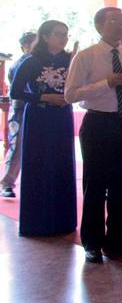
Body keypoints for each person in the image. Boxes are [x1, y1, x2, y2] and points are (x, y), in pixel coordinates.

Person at [65, 7, 122, 263]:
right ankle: (92, 242)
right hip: (98, 123)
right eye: (113, 21)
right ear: (99, 26)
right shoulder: (86, 56)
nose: (120, 26)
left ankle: (116, 239)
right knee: (95, 184)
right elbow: (71, 94)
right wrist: (107, 83)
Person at [9, 20, 77, 237]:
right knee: (38, 164)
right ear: (45, 36)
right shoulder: (31, 61)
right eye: (59, 34)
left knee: (62, 163)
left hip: (62, 116)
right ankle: (37, 222)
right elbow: (15, 92)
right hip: (39, 117)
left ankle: (63, 221)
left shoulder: (70, 60)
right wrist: (43, 96)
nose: (63, 38)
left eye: (66, 34)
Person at [1, 31, 36, 198]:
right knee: (17, 146)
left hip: (38, 109)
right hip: (21, 108)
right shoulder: (20, 64)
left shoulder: (40, 61)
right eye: (30, 43)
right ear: (24, 47)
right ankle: (7, 183)